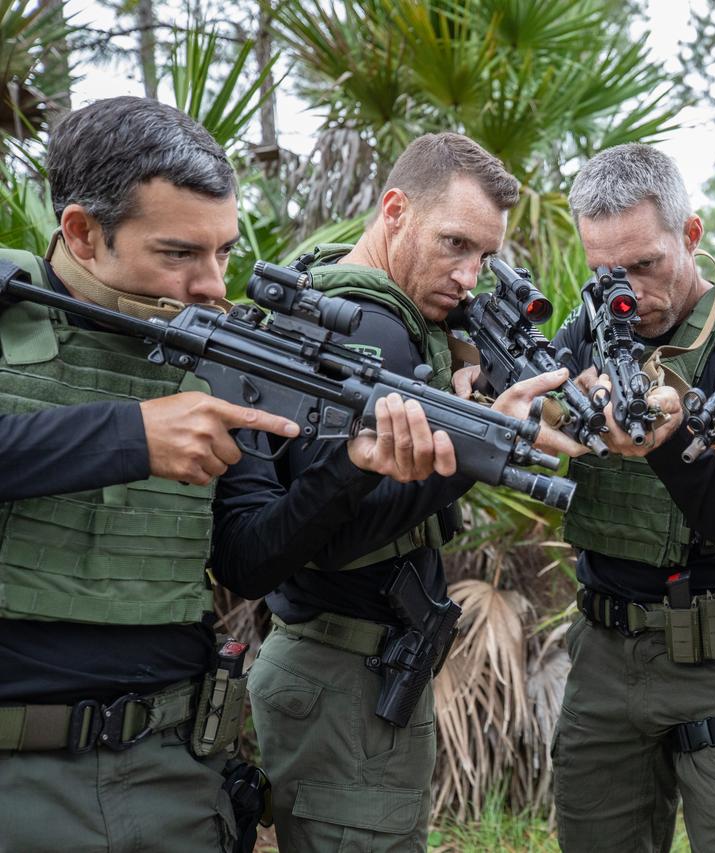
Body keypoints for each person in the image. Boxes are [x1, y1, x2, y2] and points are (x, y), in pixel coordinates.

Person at [212, 132, 577, 852]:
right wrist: (477, 449)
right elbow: (333, 539)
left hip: (334, 676)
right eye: (454, 244)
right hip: (342, 679)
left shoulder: (338, 298)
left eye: (486, 256)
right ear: (394, 210)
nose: (471, 275)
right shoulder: (374, 333)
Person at [0, 96, 300, 850]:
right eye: (180, 253)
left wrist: (354, 476)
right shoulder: (6, 311)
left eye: (224, 251)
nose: (213, 284)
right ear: (82, 232)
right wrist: (127, 435)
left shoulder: (216, 355)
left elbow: (247, 556)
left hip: (170, 772)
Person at [544, 143, 715, 852]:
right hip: (604, 652)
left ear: (689, 236)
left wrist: (666, 443)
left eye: (645, 265)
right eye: (605, 271)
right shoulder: (586, 328)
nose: (626, 291)